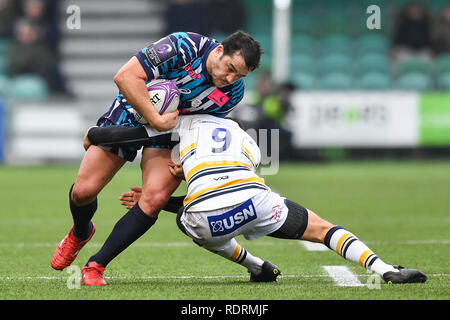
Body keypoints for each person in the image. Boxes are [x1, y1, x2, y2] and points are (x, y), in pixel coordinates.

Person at [83, 114, 427, 285]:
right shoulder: (250, 143)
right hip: (253, 201)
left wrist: (95, 134)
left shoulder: (185, 124)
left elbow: (132, 135)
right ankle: (384, 270)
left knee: (190, 220)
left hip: (204, 218)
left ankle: (255, 266)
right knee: (323, 229)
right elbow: (227, 185)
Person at [50, 31, 263, 285]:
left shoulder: (233, 92)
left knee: (154, 199)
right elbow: (125, 76)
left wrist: (189, 163)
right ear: (219, 51)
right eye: (230, 68)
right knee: (83, 192)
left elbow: (202, 127)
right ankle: (81, 231)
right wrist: (152, 118)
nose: (230, 79)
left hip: (172, 132)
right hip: (133, 111)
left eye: (239, 75)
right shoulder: (184, 46)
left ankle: (96, 265)